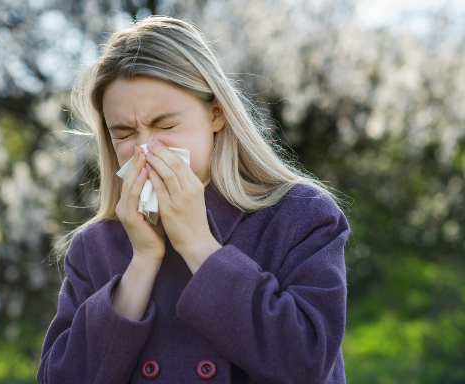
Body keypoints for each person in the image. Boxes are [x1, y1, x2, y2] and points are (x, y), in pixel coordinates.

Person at [37, 16, 350, 384]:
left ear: (215, 113)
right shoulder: (95, 247)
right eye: (124, 133)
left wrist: (197, 243)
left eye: (166, 126)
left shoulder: (301, 216)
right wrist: (141, 263)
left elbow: (305, 362)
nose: (145, 149)